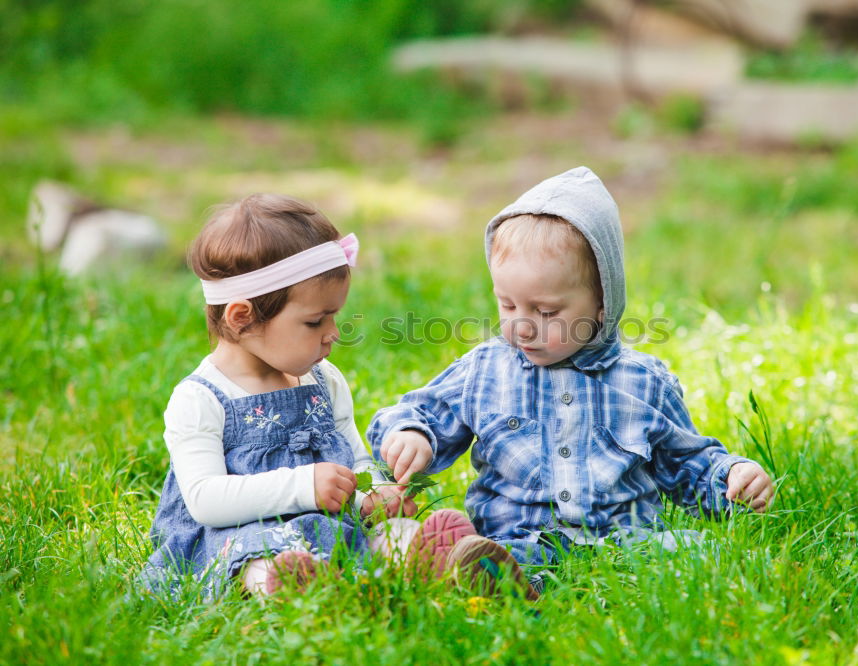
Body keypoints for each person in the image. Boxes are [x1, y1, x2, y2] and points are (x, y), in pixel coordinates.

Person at [367, 167, 774, 596]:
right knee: (489, 555)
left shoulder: (644, 382)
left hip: (626, 543)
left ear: (602, 304)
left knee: (693, 552)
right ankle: (497, 579)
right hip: (521, 541)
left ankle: (552, 583)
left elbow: (686, 463)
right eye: (507, 305)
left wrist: (732, 477)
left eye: (545, 312)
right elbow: (422, 412)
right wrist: (410, 434)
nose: (522, 327)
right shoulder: (485, 370)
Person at [142, 193, 466, 599]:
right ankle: (297, 591)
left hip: (329, 527)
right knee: (262, 560)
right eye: (315, 321)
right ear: (242, 318)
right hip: (239, 535)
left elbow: (355, 458)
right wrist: (302, 486)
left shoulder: (323, 380)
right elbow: (206, 500)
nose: (333, 332)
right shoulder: (201, 398)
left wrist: (373, 494)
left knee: (390, 535)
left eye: (333, 316)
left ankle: (444, 559)